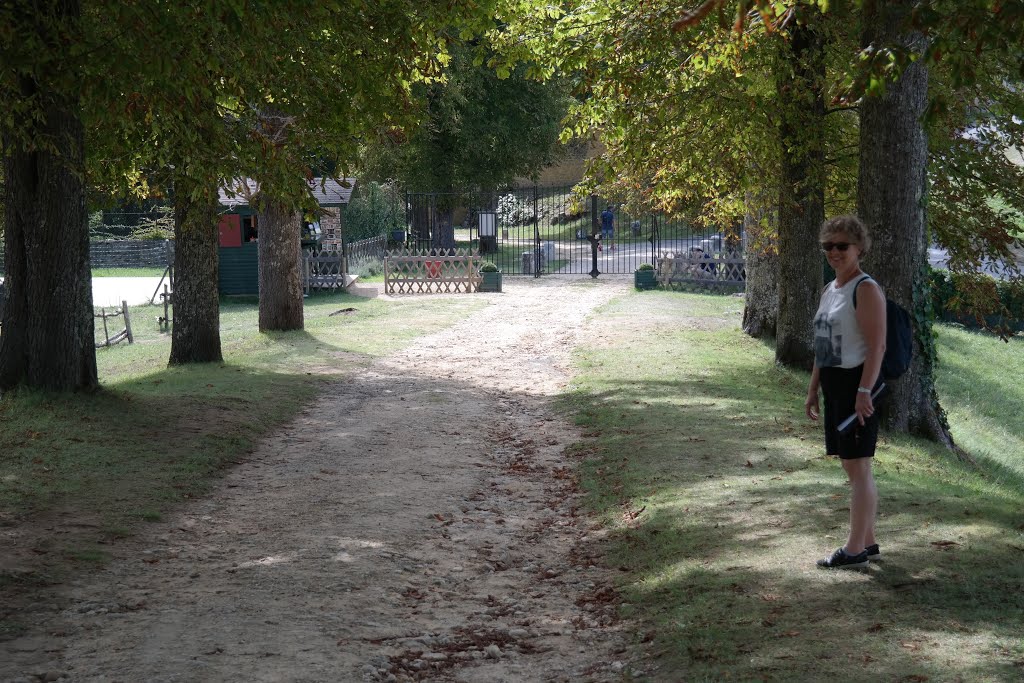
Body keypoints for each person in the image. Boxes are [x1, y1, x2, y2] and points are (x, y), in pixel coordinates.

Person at [805, 215, 887, 570]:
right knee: (854, 468)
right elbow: (823, 346)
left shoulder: (865, 289)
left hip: (857, 385)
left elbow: (877, 346)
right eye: (828, 246)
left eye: (842, 246)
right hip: (835, 385)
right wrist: (813, 390)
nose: (834, 252)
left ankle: (853, 550)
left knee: (858, 467)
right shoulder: (831, 289)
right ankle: (867, 542)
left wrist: (865, 390)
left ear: (859, 248)